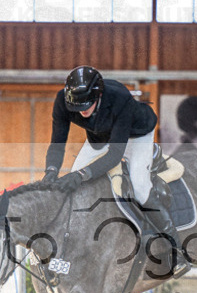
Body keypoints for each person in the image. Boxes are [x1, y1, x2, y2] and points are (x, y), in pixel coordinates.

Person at [42, 65, 189, 275]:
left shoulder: (120, 98)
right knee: (70, 189)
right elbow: (57, 142)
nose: (82, 111)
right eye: (77, 106)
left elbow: (114, 156)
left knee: (140, 188)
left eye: (87, 105)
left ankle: (176, 249)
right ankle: (64, 254)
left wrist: (82, 174)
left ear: (99, 95)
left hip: (135, 135)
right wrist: (51, 170)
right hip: (99, 136)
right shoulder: (64, 101)